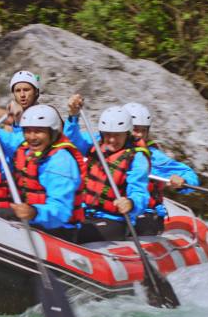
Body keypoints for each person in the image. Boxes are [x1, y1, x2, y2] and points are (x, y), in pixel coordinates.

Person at [0, 104, 85, 242]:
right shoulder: (24, 145)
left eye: (38, 131)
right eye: (27, 131)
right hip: (30, 219)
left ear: (52, 133)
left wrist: (34, 212)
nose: (32, 137)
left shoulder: (61, 162)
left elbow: (61, 211)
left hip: (58, 230)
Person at [64, 99, 151, 243]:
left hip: (113, 221)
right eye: (108, 134)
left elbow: (140, 193)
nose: (111, 140)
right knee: (57, 226)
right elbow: (72, 140)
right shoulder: (96, 144)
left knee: (74, 234)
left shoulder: (137, 158)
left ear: (127, 134)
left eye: (117, 135)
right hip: (84, 212)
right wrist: (73, 116)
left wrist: (131, 203)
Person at [123, 102, 200, 235]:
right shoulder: (107, 148)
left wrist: (182, 181)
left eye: (143, 130)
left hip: (145, 216)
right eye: (136, 129)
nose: (140, 135)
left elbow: (190, 175)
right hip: (114, 213)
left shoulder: (154, 157)